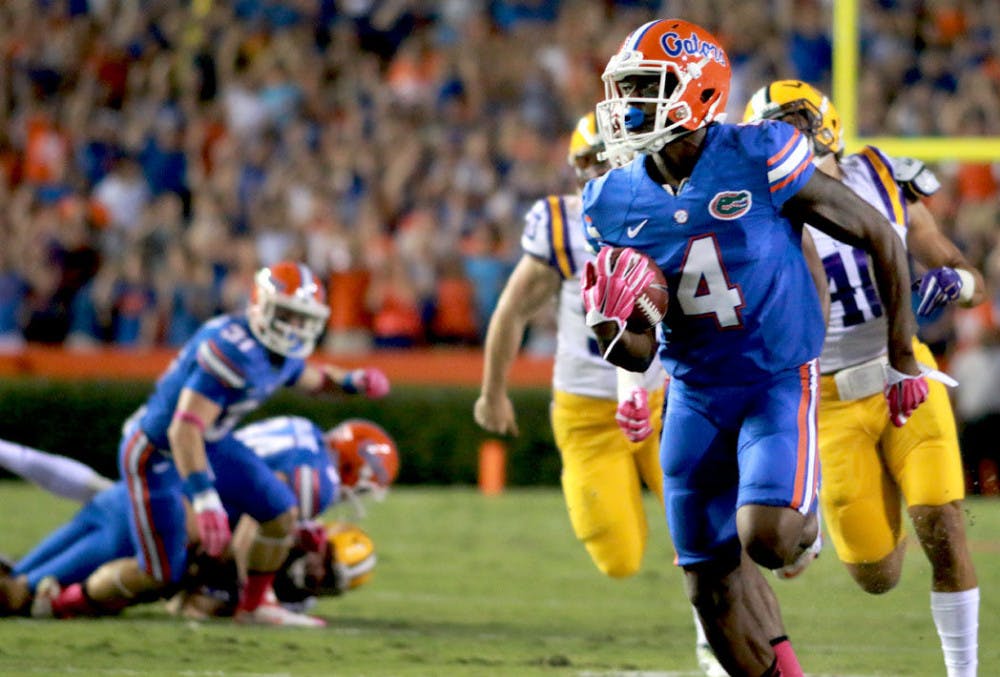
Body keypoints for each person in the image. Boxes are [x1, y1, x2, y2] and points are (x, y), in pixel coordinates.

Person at [581, 19, 927, 676]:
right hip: (695, 393)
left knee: (767, 537)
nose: (626, 108)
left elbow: (879, 232)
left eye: (645, 89)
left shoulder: (762, 152)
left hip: (776, 377)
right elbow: (637, 352)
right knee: (709, 588)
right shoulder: (613, 196)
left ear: (699, 93)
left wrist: (904, 354)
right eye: (625, 89)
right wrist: (610, 329)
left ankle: (805, 510)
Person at [473, 112, 726, 676]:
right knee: (619, 557)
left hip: (669, 401)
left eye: (608, 157)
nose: (600, 171)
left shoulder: (676, 209)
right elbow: (513, 310)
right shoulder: (564, 226)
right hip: (589, 412)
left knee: (709, 527)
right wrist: (493, 391)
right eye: (588, 162)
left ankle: (717, 643)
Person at [745, 79, 982, 677]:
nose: (792, 135)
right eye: (776, 127)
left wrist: (959, 282)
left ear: (824, 122)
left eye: (797, 120)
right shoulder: (757, 208)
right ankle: (822, 519)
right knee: (878, 573)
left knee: (942, 519)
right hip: (828, 398)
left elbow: (949, 259)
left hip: (905, 374)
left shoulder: (882, 174)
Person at [26, 261, 390, 626]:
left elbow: (316, 376)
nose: (294, 328)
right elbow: (183, 430)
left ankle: (255, 605)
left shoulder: (276, 352)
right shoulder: (235, 352)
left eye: (301, 319)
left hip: (210, 441)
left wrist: (354, 380)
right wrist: (205, 498)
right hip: (159, 452)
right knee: (162, 572)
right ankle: (63, 604)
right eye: (286, 315)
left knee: (281, 511)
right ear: (260, 306)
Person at [0, 416, 398, 622]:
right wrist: (249, 592)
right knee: (17, 596)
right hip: (163, 521)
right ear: (354, 467)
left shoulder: (300, 429)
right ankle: (62, 602)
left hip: (141, 489)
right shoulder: (318, 480)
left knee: (16, 577)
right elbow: (255, 526)